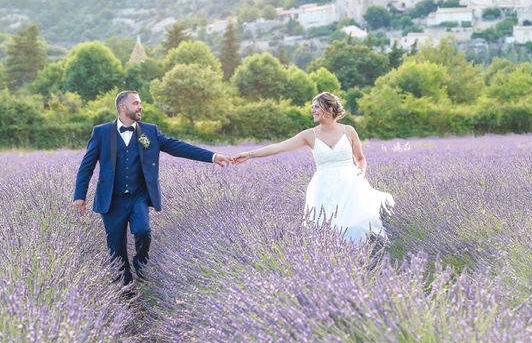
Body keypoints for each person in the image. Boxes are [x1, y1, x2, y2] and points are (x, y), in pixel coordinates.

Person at [72, 90, 230, 286]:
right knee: (116, 249)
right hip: (111, 200)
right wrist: (80, 196)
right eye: (136, 103)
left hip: (138, 197)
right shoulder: (101, 132)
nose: (140, 107)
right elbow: (86, 166)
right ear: (123, 107)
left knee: (143, 231)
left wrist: (213, 157)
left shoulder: (150, 131)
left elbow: (178, 147)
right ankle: (126, 290)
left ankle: (141, 266)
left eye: (140, 103)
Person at [233, 92, 393, 243]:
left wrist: (361, 173)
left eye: (316, 106)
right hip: (323, 189)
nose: (312, 110)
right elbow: (278, 147)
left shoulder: (348, 131)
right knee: (326, 230)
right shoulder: (309, 135)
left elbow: (360, 159)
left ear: (329, 109)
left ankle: (363, 261)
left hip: (350, 186)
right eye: (313, 107)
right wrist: (249, 154)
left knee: (355, 227)